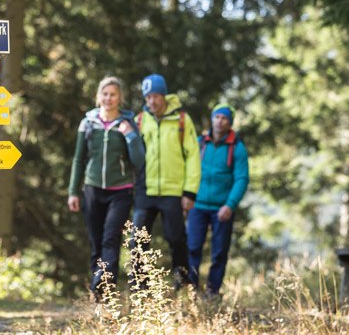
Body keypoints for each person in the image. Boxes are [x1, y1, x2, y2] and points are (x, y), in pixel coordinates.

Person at [67, 76, 145, 298]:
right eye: (105, 94)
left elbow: (139, 161)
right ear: (99, 96)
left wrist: (129, 135)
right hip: (92, 190)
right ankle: (100, 298)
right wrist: (73, 191)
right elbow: (78, 159)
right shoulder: (88, 123)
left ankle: (101, 288)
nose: (108, 98)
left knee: (110, 239)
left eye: (113, 94)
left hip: (120, 192)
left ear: (120, 98)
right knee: (95, 242)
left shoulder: (128, 124)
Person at [131, 74, 201, 290]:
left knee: (177, 239)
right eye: (148, 97)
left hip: (173, 191)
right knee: (137, 240)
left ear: (164, 96)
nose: (152, 101)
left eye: (156, 96)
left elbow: (193, 157)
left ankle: (183, 285)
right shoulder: (140, 120)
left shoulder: (181, 120)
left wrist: (189, 192)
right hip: (145, 190)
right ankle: (141, 289)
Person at [186, 103, 249, 298]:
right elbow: (188, 170)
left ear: (229, 123)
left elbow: (241, 178)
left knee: (219, 253)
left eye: (224, 118)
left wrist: (230, 205)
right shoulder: (199, 143)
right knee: (192, 248)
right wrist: (186, 196)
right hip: (197, 205)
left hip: (222, 209)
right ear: (212, 119)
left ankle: (212, 292)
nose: (220, 121)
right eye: (217, 117)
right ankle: (191, 291)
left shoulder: (237, 147)